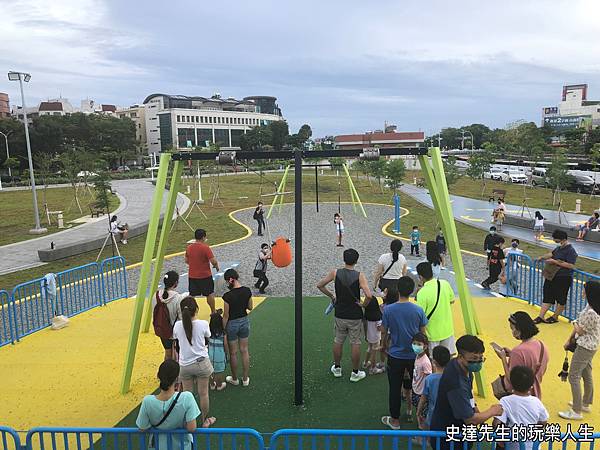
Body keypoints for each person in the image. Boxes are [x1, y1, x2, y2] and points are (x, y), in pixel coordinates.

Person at [429, 335, 503, 450]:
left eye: (480, 358)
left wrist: (482, 424)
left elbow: (470, 399)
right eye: (473, 359)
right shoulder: (456, 383)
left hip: (459, 433)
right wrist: (492, 411)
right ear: (460, 357)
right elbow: (470, 420)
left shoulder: (462, 368)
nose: (478, 362)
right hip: (449, 438)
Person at [317, 248, 373, 382]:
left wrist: (332, 296)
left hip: (340, 313)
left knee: (338, 340)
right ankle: (355, 373)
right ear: (356, 261)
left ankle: (337, 368)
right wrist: (364, 305)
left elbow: (320, 285)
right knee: (355, 342)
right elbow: (369, 295)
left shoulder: (335, 273)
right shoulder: (360, 275)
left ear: (344, 259)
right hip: (355, 314)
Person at [380, 276, 428, 430]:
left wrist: (383, 346)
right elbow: (423, 334)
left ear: (398, 290)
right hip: (415, 355)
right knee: (418, 387)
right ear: (412, 291)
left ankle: (395, 420)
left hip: (395, 355)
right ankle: (420, 417)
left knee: (394, 387)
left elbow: (384, 332)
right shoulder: (418, 310)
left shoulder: (388, 310)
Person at [136, 360, 202, 450]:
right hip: (182, 446)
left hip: (158, 446)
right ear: (177, 379)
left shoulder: (147, 401)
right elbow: (191, 428)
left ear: (158, 376)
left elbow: (142, 428)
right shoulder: (187, 397)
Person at [172, 296, 216, 428]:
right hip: (201, 363)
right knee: (204, 394)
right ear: (196, 309)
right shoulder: (203, 324)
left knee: (187, 395)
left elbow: (175, 341)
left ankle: (188, 421)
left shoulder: (177, 326)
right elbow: (208, 336)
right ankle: (205, 420)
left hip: (184, 365)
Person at [559, 281, 600, 420]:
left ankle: (576, 410)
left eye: (584, 290)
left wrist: (575, 323)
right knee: (586, 373)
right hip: (591, 346)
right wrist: (570, 338)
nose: (582, 292)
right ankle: (585, 403)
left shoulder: (592, 312)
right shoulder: (592, 307)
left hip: (585, 347)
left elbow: (580, 330)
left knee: (573, 376)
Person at [491, 312, 549, 399]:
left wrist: (503, 358)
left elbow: (512, 379)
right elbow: (530, 362)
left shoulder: (518, 351)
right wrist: (511, 354)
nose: (512, 332)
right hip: (534, 392)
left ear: (519, 330)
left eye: (512, 329)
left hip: (518, 396)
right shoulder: (541, 345)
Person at [492, 366, 549, 450]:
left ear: (511, 384)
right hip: (532, 447)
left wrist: (501, 439)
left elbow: (496, 423)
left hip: (511, 446)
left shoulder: (505, 401)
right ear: (531, 386)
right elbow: (543, 421)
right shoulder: (536, 402)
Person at [534, 229, 578, 324]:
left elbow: (571, 265)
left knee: (561, 298)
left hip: (563, 277)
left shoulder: (571, 251)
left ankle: (555, 316)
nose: (554, 240)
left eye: (555, 239)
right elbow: (552, 254)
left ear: (562, 239)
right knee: (547, 296)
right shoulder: (558, 248)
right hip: (551, 276)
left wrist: (554, 262)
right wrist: (542, 257)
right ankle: (541, 316)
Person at [416, 262, 456, 354]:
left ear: (421, 277)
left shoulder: (422, 293)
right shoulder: (445, 283)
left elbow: (419, 316)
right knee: (447, 358)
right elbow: (452, 300)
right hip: (447, 330)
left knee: (434, 362)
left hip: (431, 335)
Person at [222, 269, 253, 387]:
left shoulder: (227, 296)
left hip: (232, 324)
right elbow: (250, 307)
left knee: (233, 353)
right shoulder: (247, 291)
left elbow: (226, 316)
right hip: (244, 321)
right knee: (244, 350)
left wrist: (223, 329)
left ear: (231, 280)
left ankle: (234, 378)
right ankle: (245, 379)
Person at [154, 271, 187, 361]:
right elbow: (181, 317)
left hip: (162, 328)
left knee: (167, 353)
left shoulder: (156, 295)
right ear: (176, 283)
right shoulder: (178, 298)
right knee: (178, 354)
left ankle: (167, 372)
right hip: (175, 330)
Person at [417, 346, 451, 431]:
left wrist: (418, 412)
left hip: (434, 415)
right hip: (450, 416)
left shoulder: (430, 379)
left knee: (430, 435)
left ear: (434, 362)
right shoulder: (454, 377)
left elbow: (423, 398)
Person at [186, 229, 220, 314]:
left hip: (192, 276)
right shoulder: (205, 248)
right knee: (209, 294)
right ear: (203, 237)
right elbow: (213, 261)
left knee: (192, 295)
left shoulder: (189, 248)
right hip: (205, 276)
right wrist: (216, 266)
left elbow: (186, 260)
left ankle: (189, 311)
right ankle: (213, 311)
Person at [411, 332, 432, 429]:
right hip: (416, 390)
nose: (416, 346)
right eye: (414, 343)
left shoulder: (425, 362)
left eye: (419, 344)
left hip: (421, 393)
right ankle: (420, 424)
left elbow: (429, 379)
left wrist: (426, 393)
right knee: (418, 410)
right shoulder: (417, 356)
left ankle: (423, 430)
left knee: (423, 413)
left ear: (425, 346)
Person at [364, 294, 384, 375]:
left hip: (368, 335)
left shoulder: (366, 316)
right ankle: (373, 368)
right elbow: (380, 328)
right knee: (374, 351)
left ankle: (365, 363)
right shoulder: (377, 317)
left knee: (369, 348)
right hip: (375, 336)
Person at [208, 311, 227, 391]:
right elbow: (225, 345)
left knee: (210, 371)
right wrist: (227, 353)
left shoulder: (209, 333)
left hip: (210, 355)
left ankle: (212, 384)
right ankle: (219, 385)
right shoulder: (223, 334)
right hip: (220, 355)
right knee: (219, 371)